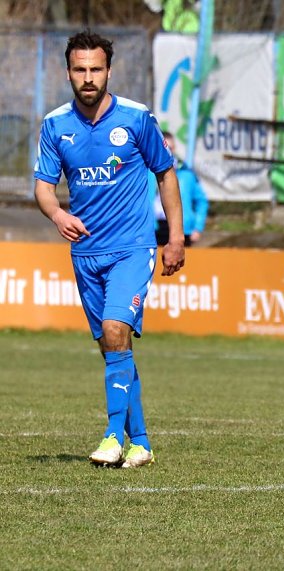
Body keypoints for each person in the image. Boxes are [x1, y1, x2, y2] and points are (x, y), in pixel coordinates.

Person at [33, 30, 185, 468]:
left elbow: (166, 175)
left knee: (116, 330)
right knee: (112, 348)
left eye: (95, 69)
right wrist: (59, 215)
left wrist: (174, 238)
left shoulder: (137, 119)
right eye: (80, 69)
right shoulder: (55, 125)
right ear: (68, 72)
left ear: (108, 71)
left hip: (132, 248)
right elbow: (43, 189)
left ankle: (112, 437)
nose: (88, 77)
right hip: (86, 254)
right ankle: (140, 442)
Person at [149, 131, 208, 247]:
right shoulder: (146, 172)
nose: (166, 151)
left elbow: (201, 202)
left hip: (181, 228)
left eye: (169, 147)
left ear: (174, 148)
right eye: (162, 146)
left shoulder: (187, 174)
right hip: (152, 229)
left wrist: (198, 227)